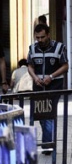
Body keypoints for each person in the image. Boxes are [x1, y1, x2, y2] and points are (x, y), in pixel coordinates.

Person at [27, 23, 69, 155]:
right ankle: (48, 143)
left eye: (42, 37)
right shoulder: (33, 49)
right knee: (40, 115)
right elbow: (30, 66)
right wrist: (34, 77)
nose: (40, 40)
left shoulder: (59, 47)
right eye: (37, 37)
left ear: (48, 35)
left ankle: (48, 146)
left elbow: (65, 66)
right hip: (38, 88)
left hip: (54, 87)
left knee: (49, 115)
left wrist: (51, 76)